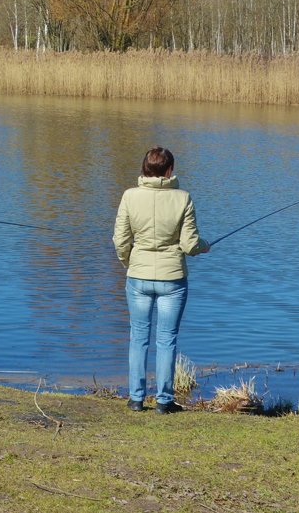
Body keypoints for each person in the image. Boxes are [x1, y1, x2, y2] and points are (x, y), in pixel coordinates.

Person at [113, 146, 209, 414]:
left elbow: (120, 241)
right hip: (172, 280)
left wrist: (129, 264)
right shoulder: (183, 198)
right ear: (169, 170)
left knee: (138, 337)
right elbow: (190, 245)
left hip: (138, 277)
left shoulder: (129, 196)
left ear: (145, 168)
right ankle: (164, 401)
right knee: (166, 339)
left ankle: (136, 399)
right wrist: (205, 246)